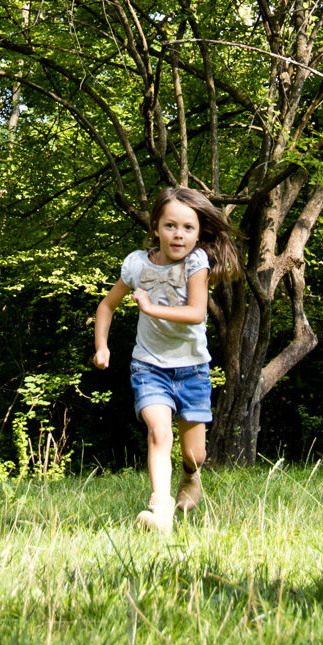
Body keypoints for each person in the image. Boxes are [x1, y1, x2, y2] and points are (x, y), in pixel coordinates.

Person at [91, 185, 239, 531]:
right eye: (171, 225)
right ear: (156, 226)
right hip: (149, 366)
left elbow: (196, 312)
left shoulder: (196, 262)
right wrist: (102, 345)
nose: (179, 235)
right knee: (158, 432)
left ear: (199, 233)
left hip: (192, 370)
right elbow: (106, 306)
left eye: (188, 228)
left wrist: (151, 307)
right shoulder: (136, 265)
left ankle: (191, 476)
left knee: (194, 454)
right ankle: (160, 510)